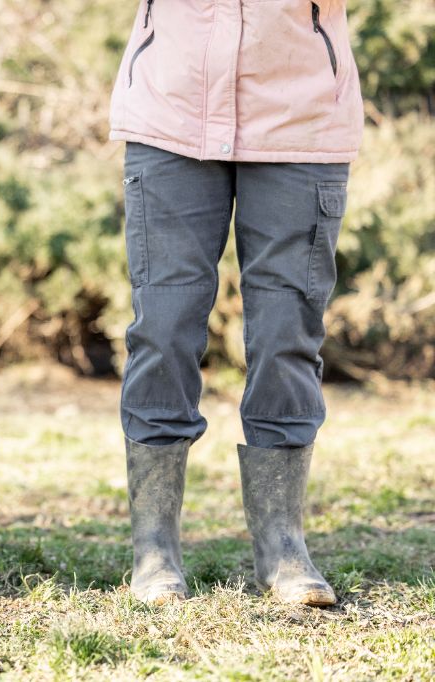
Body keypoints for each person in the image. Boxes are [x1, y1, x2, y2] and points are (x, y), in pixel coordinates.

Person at [108, 0, 364, 606]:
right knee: (163, 329)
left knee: (286, 334)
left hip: (302, 118)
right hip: (170, 113)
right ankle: (154, 550)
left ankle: (283, 548)